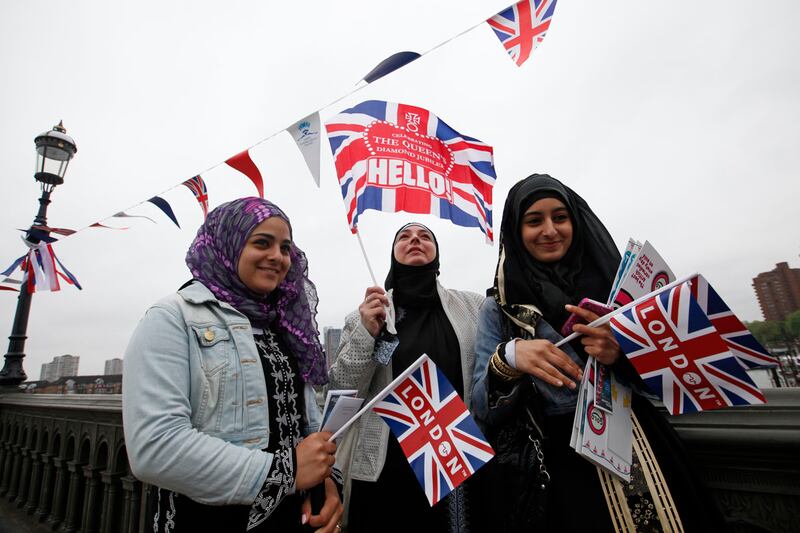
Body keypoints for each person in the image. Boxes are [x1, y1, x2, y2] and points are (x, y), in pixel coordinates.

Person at [471, 174, 725, 532]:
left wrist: (621, 353)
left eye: (560, 217)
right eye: (534, 221)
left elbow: (669, 381)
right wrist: (510, 358)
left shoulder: (618, 290)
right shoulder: (498, 307)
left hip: (639, 442)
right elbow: (480, 405)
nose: (550, 230)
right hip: (559, 464)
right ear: (516, 231)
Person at [123, 197, 343, 532]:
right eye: (262, 243)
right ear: (227, 245)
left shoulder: (284, 327)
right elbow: (155, 447)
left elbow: (306, 425)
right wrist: (286, 472)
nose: (277, 256)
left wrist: (326, 483)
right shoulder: (172, 318)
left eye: (285, 248)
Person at [328, 223, 484, 532]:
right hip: (387, 468)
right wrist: (366, 333)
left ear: (436, 254)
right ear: (393, 253)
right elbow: (344, 389)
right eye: (405, 237)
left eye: (425, 237)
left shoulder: (472, 308)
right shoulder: (366, 316)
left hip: (454, 459)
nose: (415, 240)